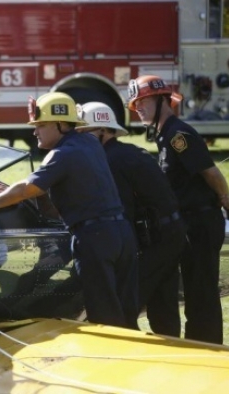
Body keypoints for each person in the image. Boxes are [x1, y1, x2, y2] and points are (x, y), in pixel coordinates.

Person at [0, 92, 139, 329]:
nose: (34, 131)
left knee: (104, 315)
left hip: (94, 238)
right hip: (122, 233)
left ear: (62, 124)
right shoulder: (89, 143)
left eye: (41, 125)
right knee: (126, 314)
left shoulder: (61, 154)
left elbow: (26, 188)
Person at [128, 75, 229, 344]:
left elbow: (212, 174)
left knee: (201, 293)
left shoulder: (177, 135)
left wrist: (226, 202)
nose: (138, 107)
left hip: (201, 223)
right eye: (135, 103)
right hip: (187, 224)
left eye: (143, 101)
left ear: (163, 100)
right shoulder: (164, 136)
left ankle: (208, 349)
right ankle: (196, 345)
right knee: (194, 291)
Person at [75, 101, 187, 337]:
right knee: (163, 306)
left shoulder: (111, 161)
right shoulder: (125, 153)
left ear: (103, 132)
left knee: (126, 304)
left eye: (85, 132)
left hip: (158, 239)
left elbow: (121, 210)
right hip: (171, 234)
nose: (80, 138)